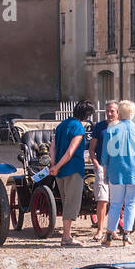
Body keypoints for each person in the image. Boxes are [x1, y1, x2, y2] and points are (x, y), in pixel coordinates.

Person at [100, 100, 135, 246]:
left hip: (117, 170)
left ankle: (109, 235)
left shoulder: (112, 130)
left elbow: (106, 154)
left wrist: (105, 171)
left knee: (115, 203)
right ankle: (126, 235)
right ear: (133, 114)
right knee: (131, 203)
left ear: (120, 113)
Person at [49, 99, 95, 247]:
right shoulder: (78, 128)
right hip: (73, 168)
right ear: (86, 116)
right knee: (72, 203)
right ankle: (66, 237)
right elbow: (70, 152)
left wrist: (54, 164)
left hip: (60, 170)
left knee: (65, 201)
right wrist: (58, 165)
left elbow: (53, 146)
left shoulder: (62, 125)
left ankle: (66, 235)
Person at [88, 100, 119, 242]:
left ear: (118, 112)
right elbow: (92, 149)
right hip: (102, 167)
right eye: (107, 110)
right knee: (102, 199)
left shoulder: (122, 127)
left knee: (117, 200)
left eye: (112, 110)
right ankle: (100, 230)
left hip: (117, 168)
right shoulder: (99, 127)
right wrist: (96, 163)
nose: (109, 113)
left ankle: (112, 230)